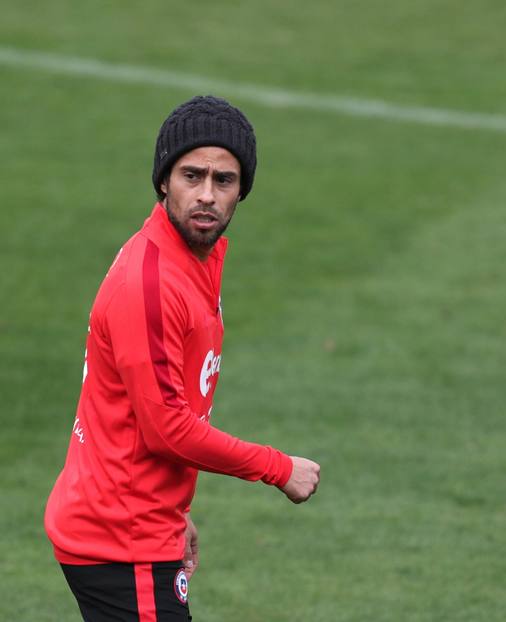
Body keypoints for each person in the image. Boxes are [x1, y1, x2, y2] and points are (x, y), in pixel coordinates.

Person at [45, 95, 321, 621]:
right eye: (191, 176)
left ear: (243, 190)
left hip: (137, 520)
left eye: (224, 181)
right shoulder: (150, 283)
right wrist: (277, 467)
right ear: (163, 181)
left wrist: (175, 510)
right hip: (119, 539)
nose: (206, 196)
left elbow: (156, 400)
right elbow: (166, 428)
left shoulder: (201, 254)